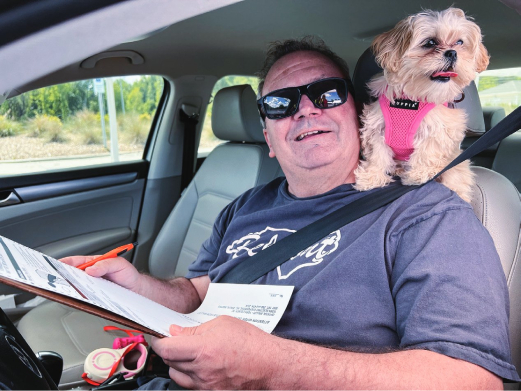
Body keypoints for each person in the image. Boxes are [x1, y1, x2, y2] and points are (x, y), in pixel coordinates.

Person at [64, 37, 519, 389]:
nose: (304, 109)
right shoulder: (245, 206)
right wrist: (134, 287)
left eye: (325, 93)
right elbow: (194, 294)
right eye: (280, 103)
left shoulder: (426, 212)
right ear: (267, 133)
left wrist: (270, 368)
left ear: (358, 112)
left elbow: (472, 380)